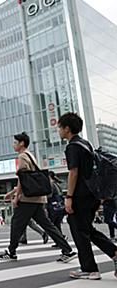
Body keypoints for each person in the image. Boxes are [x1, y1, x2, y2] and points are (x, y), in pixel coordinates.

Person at [0, 132, 76, 262]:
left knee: (16, 224)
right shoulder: (30, 155)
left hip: (28, 199)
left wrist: (16, 197)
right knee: (48, 225)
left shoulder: (22, 156)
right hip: (38, 198)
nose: (13, 145)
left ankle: (11, 252)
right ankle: (67, 250)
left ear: (22, 143)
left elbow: (23, 179)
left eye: (15, 143)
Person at [57, 112, 117, 279]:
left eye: (60, 128)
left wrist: (68, 197)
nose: (59, 131)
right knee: (87, 229)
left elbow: (73, 172)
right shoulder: (86, 144)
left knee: (78, 230)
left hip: (80, 196)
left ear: (67, 129)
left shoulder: (72, 146)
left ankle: (89, 269)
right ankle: (114, 253)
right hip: (93, 195)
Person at [47, 171, 67, 245]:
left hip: (53, 207)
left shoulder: (51, 184)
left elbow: (49, 195)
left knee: (52, 225)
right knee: (57, 224)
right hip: (59, 206)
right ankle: (60, 239)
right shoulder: (56, 183)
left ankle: (61, 238)